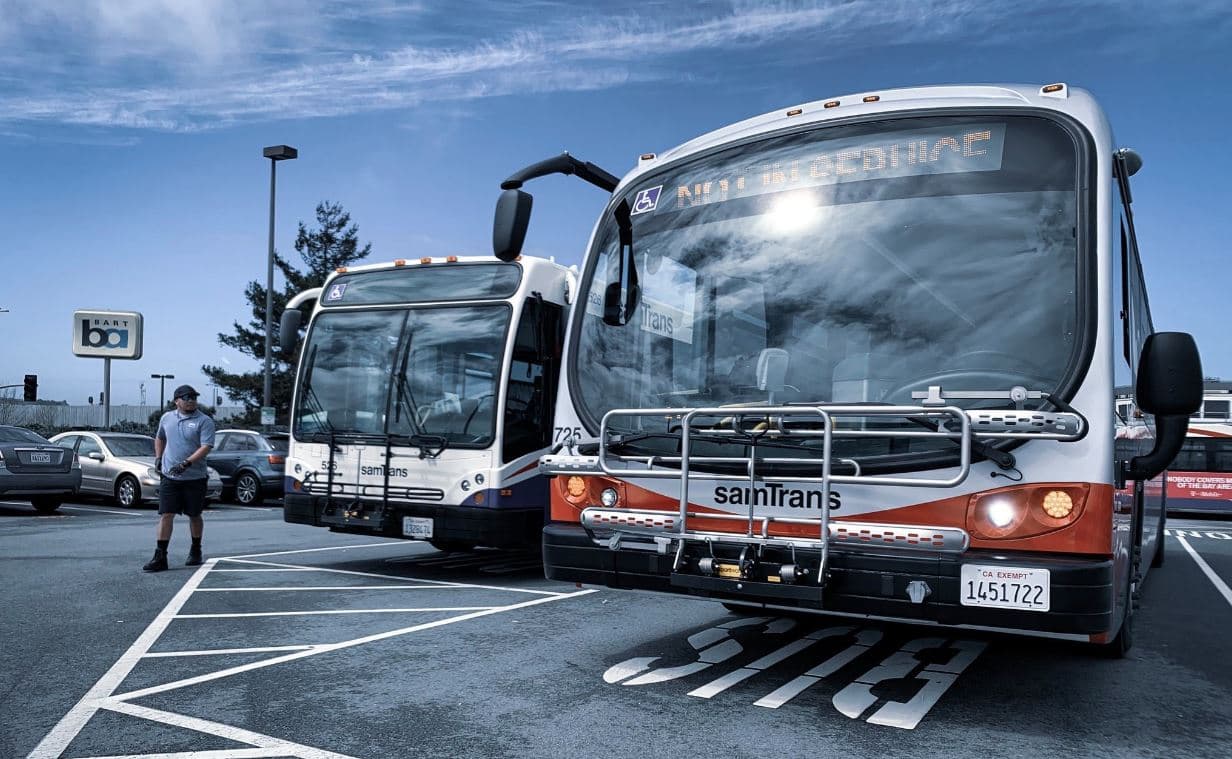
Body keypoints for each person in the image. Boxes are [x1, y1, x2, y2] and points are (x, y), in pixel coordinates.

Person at [143, 384, 216, 572]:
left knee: (194, 515)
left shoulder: (204, 421)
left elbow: (206, 446)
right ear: (177, 401)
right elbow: (160, 438)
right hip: (170, 476)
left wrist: (186, 463)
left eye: (194, 397)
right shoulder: (167, 418)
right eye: (186, 397)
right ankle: (160, 556)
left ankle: (195, 549)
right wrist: (158, 457)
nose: (191, 400)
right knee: (166, 514)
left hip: (195, 477)